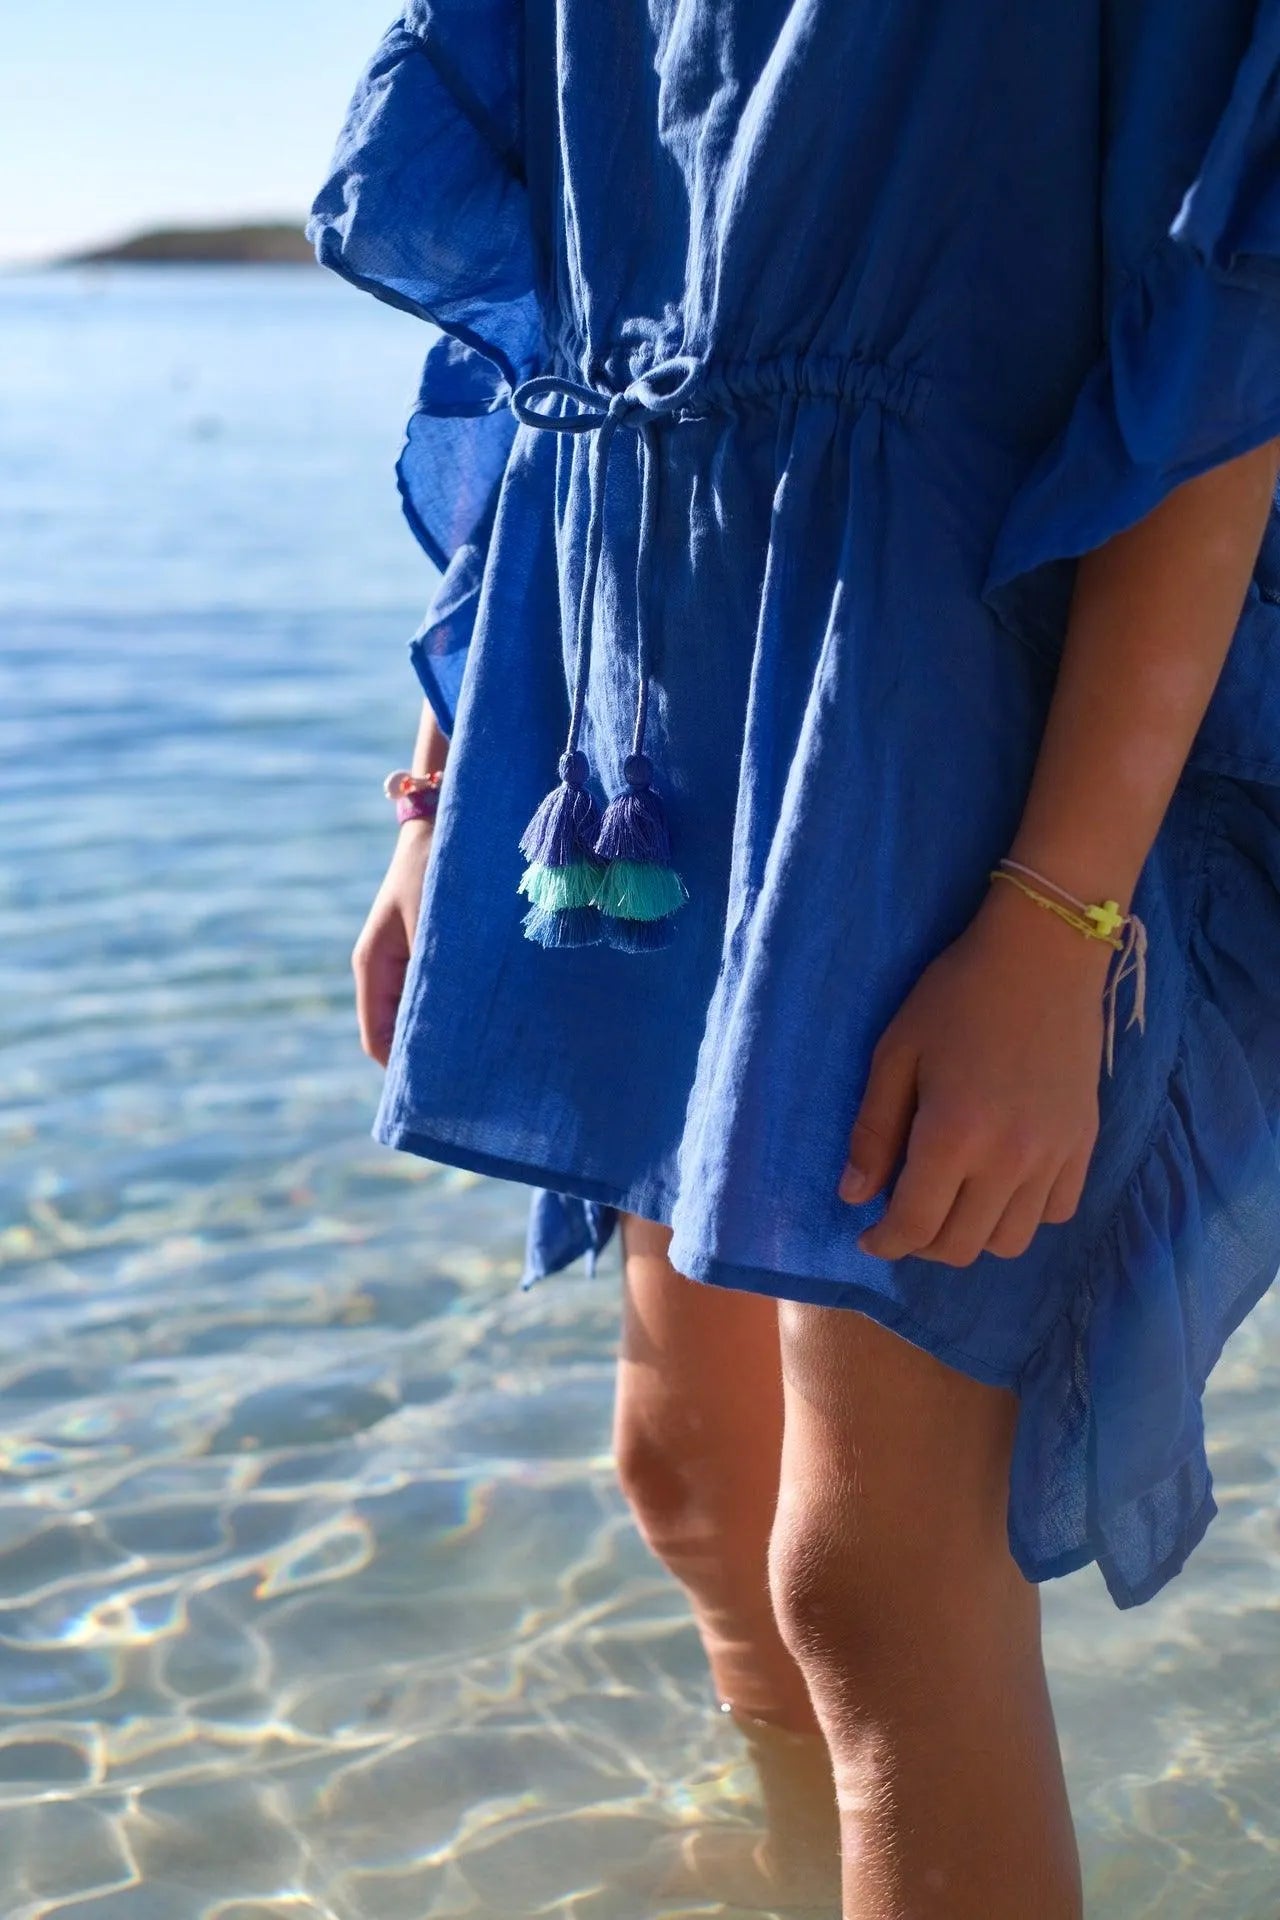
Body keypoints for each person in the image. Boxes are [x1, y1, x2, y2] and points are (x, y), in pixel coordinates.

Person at [310, 4, 1280, 1914]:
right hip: (643, 717)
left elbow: (1231, 330)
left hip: (936, 714)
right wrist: (441, 783)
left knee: (878, 1572)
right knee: (692, 1472)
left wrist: (1057, 911)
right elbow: (534, 324)